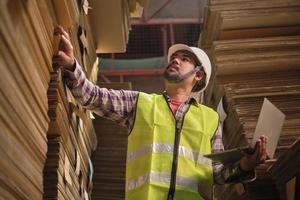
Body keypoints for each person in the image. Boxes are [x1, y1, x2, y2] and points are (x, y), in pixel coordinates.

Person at [53, 26, 268, 200]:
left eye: (184, 59)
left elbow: (217, 174)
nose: (175, 60)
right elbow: (93, 96)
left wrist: (245, 166)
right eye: (174, 57)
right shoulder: (141, 104)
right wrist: (72, 64)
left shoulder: (210, 120)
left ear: (198, 75)